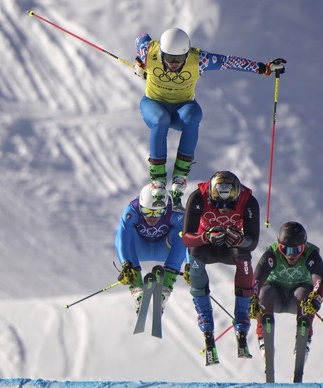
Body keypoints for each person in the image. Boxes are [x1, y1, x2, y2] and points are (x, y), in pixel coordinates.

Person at [134, 28, 286, 211]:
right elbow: (141, 36)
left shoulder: (198, 59)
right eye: (169, 59)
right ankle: (158, 181)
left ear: (186, 53)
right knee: (161, 120)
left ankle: (179, 179)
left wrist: (265, 68)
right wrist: (141, 64)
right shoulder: (150, 51)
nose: (174, 64)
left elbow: (230, 62)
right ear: (161, 52)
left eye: (179, 59)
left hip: (181, 107)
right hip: (154, 104)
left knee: (194, 114)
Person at [181, 171, 260, 365]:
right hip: (204, 245)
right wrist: (205, 237)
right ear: (210, 196)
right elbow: (186, 238)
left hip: (231, 246)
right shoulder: (198, 197)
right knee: (196, 259)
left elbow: (253, 241)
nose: (223, 210)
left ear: (238, 196)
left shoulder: (249, 201)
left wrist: (241, 239)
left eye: (229, 205)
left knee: (244, 259)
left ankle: (242, 323)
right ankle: (206, 322)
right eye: (218, 205)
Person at [249, 221, 323, 369]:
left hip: (297, 299)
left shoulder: (311, 255)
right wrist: (252, 298)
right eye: (285, 249)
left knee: (305, 294)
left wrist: (316, 298)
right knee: (264, 292)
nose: (290, 255)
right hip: (275, 296)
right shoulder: (272, 253)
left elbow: (320, 281)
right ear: (279, 246)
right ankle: (265, 343)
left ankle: (302, 344)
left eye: (297, 250)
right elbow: (257, 279)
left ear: (304, 247)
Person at [115, 182, 186, 313]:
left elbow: (190, 238)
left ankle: (166, 287)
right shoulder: (131, 211)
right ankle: (136, 287)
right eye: (147, 212)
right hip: (139, 249)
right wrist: (126, 265)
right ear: (141, 207)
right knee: (121, 231)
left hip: (164, 248)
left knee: (183, 231)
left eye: (158, 212)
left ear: (165, 208)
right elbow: (122, 240)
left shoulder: (176, 212)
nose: (152, 217)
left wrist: (191, 265)